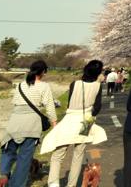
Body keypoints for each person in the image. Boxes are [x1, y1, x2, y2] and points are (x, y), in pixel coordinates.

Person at [42, 59, 108, 187]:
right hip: (86, 121)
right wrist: (90, 117)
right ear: (98, 73)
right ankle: (71, 185)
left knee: (58, 154)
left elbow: (69, 103)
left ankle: (53, 184)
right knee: (78, 156)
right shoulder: (98, 86)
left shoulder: (74, 84)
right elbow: (98, 106)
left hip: (70, 119)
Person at [0, 60, 58, 187]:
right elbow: (50, 107)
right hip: (32, 125)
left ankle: (4, 173)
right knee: (24, 160)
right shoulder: (44, 86)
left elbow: (15, 102)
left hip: (15, 122)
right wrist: (54, 123)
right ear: (43, 72)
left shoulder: (20, 85)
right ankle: (16, 184)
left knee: (8, 150)